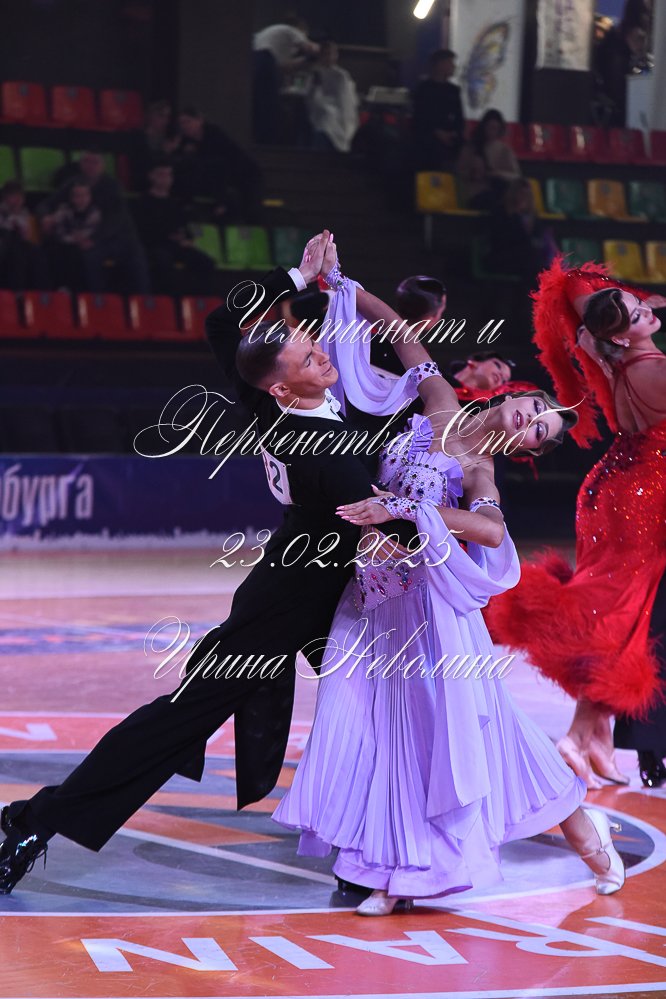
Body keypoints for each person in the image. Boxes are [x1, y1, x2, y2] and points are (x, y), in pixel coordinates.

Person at [0, 232, 427, 896]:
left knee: (376, 711)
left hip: (308, 588)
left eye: (313, 344)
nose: (322, 353)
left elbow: (222, 324)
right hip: (294, 604)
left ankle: (372, 850)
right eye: (308, 356)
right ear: (284, 386)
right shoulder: (325, 449)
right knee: (182, 718)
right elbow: (394, 524)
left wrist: (298, 276)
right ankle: (35, 822)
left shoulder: (266, 401)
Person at [273, 270, 625, 912]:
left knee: (457, 737)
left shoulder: (478, 469)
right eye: (536, 410)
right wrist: (344, 285)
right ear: (519, 396)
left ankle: (580, 839)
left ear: (522, 449)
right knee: (378, 731)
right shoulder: (438, 403)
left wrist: (409, 510)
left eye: (538, 431)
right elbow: (400, 334)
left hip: (432, 613)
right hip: (374, 601)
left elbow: (490, 531)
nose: (531, 421)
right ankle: (395, 868)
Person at [487, 258, 666, 790]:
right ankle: (578, 736)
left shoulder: (611, 354)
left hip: (612, 488)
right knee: (622, 617)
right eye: (637, 312)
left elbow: (596, 306)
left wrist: (631, 308)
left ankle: (594, 738)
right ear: (621, 333)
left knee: (625, 615)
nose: (647, 310)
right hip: (641, 500)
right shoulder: (655, 370)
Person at [38, 151, 151, 293]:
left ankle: (139, 300)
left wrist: (93, 239)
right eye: (87, 161)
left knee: (134, 260)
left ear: (103, 165)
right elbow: (46, 204)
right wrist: (45, 216)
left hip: (115, 238)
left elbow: (115, 220)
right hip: (84, 237)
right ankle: (86, 298)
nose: (90, 166)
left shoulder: (112, 186)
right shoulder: (74, 183)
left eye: (95, 162)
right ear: (81, 164)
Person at [134, 161, 215, 295]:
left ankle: (199, 301)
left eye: (168, 175)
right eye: (161, 174)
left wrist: (188, 239)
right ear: (151, 176)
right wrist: (169, 236)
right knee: (163, 262)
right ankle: (167, 300)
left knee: (206, 262)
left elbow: (185, 224)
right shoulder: (143, 202)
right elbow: (143, 230)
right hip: (155, 245)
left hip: (176, 245)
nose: (165, 179)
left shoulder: (175, 203)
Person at [173, 107, 262, 222]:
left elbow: (222, 162)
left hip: (245, 174)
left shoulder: (213, 134)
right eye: (181, 123)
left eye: (188, 121)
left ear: (200, 120)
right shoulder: (185, 141)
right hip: (219, 180)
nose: (184, 126)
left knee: (249, 210)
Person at [252, 15, 320, 143]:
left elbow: (283, 67)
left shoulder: (269, 36)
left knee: (261, 110)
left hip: (252, 64)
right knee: (272, 111)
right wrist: (312, 56)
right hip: (265, 63)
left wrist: (302, 61)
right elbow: (312, 48)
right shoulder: (291, 30)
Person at [484, 179, 558, 284]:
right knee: (533, 264)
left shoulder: (533, 218)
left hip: (527, 258)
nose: (522, 197)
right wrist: (516, 217)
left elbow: (537, 239)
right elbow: (502, 240)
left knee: (542, 266)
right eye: (520, 193)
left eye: (526, 194)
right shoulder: (500, 213)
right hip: (502, 256)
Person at [41, 180, 103, 291]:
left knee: (81, 254)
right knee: (54, 249)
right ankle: (61, 289)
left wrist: (77, 237)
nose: (82, 199)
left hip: (87, 247)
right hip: (66, 246)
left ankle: (80, 292)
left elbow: (89, 233)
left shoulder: (94, 212)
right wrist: (74, 238)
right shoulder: (64, 209)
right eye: (78, 196)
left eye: (85, 195)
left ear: (90, 197)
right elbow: (60, 232)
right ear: (72, 198)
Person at [456, 108, 521, 211]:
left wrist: (497, 174)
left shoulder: (505, 150)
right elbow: (460, 171)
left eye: (495, 128)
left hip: (498, 192)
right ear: (483, 127)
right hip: (475, 194)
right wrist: (472, 174)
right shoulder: (471, 148)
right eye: (489, 127)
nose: (491, 132)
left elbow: (516, 175)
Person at [412, 49, 465, 169]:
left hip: (451, 143)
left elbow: (459, 116)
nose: (453, 66)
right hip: (427, 144)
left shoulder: (454, 90)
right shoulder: (424, 89)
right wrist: (437, 132)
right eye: (450, 63)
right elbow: (420, 117)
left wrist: (454, 133)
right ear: (440, 64)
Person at [306, 40, 359, 152]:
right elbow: (311, 98)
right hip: (320, 112)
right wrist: (316, 85)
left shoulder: (341, 75)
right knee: (325, 120)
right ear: (320, 56)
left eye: (332, 54)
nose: (329, 57)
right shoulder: (315, 73)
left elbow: (346, 99)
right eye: (326, 54)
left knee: (333, 120)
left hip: (339, 112)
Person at [0, 181, 50, 290]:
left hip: (21, 247)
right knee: (15, 248)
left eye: (20, 196)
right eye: (14, 196)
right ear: (5, 198)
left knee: (37, 252)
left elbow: (27, 236)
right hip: (5, 247)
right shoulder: (2, 212)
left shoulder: (24, 213)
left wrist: (24, 233)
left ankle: (42, 293)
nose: (18, 199)